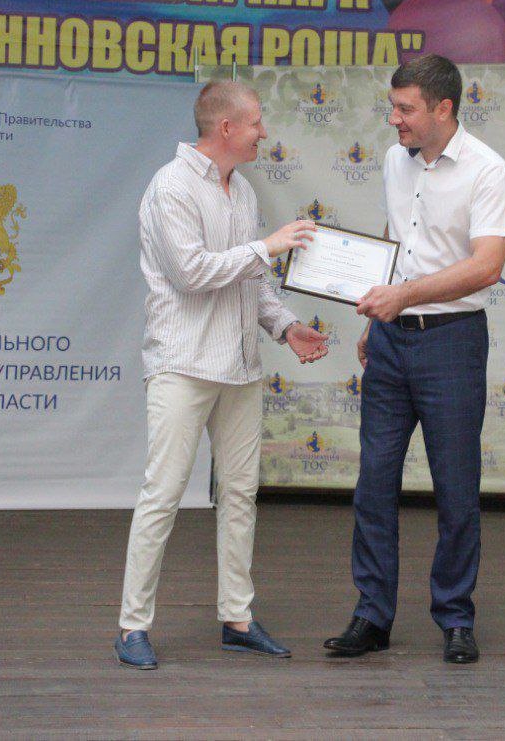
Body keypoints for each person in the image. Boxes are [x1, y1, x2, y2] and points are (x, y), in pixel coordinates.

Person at [116, 81, 329, 670]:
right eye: (257, 122)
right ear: (227, 128)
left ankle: (237, 618)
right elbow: (191, 274)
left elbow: (250, 282)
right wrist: (267, 247)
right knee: (163, 494)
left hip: (239, 368)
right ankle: (132, 627)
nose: (264, 132)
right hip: (183, 364)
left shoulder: (243, 191)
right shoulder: (171, 186)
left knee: (240, 494)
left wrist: (286, 326)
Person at [323, 55, 505, 664]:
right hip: (390, 341)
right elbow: (399, 241)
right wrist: (380, 313)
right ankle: (371, 615)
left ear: (443, 108)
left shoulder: (488, 170)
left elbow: (487, 266)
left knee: (455, 488)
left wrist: (403, 296)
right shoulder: (393, 160)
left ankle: (455, 617)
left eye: (405, 109)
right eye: (393, 106)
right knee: (374, 482)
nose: (394, 119)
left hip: (452, 341)